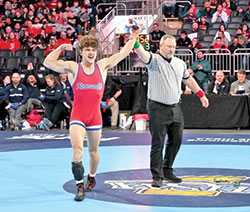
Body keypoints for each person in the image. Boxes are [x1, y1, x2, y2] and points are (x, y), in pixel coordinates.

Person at [43, 29, 140, 201]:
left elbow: (124, 52)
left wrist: (134, 37)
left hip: (95, 117)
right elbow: (48, 62)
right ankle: (79, 186)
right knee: (77, 151)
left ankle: (92, 177)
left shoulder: (102, 66)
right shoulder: (73, 68)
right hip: (78, 117)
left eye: (93, 49)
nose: (91, 52)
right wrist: (60, 48)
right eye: (87, 49)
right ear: (81, 52)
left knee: (93, 151)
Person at [133, 34, 209, 187]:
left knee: (176, 140)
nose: (172, 49)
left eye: (174, 47)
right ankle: (157, 176)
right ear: (161, 46)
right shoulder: (153, 60)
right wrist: (136, 39)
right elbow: (140, 51)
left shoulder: (180, 63)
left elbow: (188, 79)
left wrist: (201, 94)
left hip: (175, 107)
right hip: (157, 108)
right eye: (169, 46)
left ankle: (167, 169)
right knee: (158, 143)